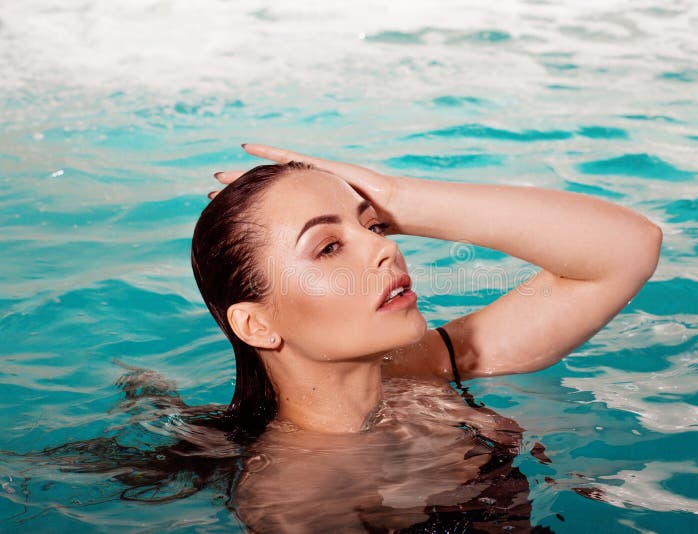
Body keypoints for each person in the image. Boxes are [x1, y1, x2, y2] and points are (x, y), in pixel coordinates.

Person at [190, 143, 662, 531]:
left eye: (373, 225)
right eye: (329, 247)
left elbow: (627, 249)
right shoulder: (300, 499)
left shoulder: (418, 369)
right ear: (257, 325)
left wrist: (396, 195)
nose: (385, 246)